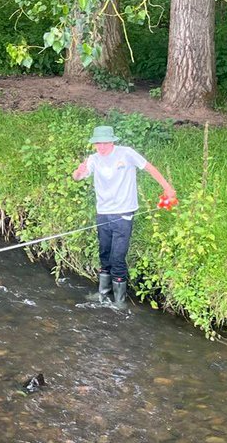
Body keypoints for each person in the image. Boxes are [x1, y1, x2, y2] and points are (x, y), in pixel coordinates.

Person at [72, 125, 176, 308]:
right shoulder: (93, 159)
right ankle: (103, 293)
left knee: (117, 257)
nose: (101, 147)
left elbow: (150, 168)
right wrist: (78, 172)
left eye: (105, 143)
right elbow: (78, 177)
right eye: (98, 143)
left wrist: (167, 188)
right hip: (102, 212)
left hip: (124, 213)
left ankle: (120, 301)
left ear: (112, 141)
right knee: (104, 253)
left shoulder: (126, 153)